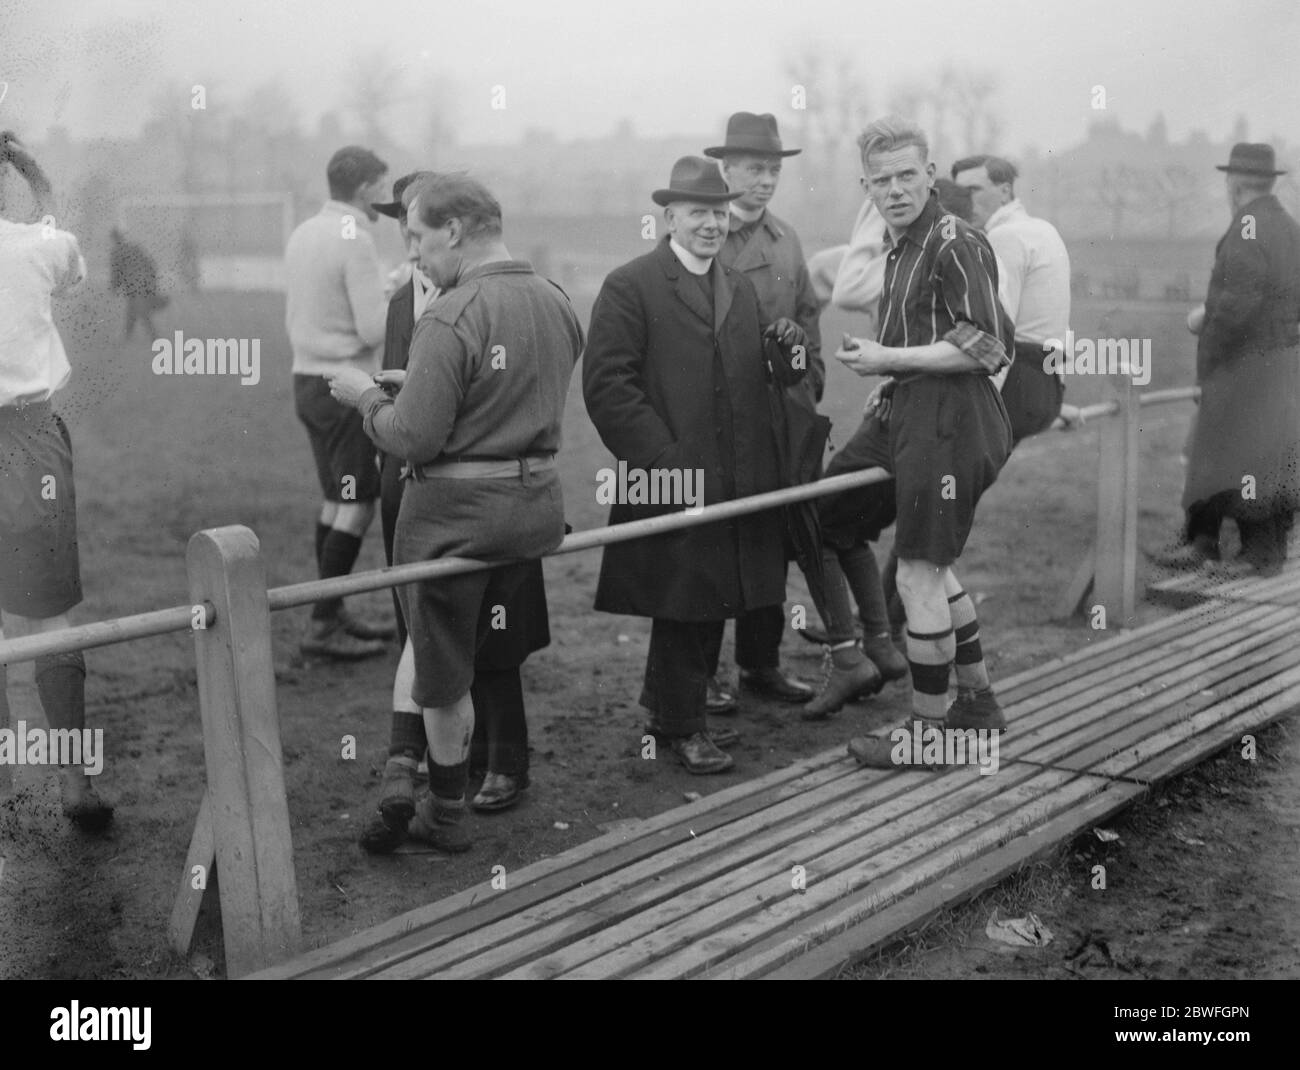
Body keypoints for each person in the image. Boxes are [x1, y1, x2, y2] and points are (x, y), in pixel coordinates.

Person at [328, 173, 583, 852]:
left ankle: (442, 816)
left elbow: (411, 440)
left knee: (441, 676)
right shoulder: (555, 300)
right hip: (533, 510)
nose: (412, 254)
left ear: (455, 231)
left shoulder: (448, 313)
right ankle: (429, 776)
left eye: (416, 236)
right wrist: (431, 385)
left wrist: (362, 397)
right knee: (481, 652)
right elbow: (515, 385)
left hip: (456, 519)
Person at [582, 157, 808, 775]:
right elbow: (608, 388)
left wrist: (784, 354)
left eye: (718, 212)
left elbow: (761, 376)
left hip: (732, 474)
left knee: (710, 594)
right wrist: (664, 460)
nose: (711, 224)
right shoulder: (632, 284)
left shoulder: (734, 285)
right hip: (669, 474)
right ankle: (681, 726)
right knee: (683, 596)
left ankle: (672, 710)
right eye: (698, 213)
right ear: (669, 217)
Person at [812, 118, 1013, 768]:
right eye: (881, 180)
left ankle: (930, 735)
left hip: (952, 422)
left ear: (931, 175)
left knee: (922, 571)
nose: (895, 190)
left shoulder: (960, 242)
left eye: (907, 175)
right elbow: (927, 341)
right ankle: (976, 700)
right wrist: (894, 376)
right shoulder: (895, 249)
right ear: (865, 187)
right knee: (835, 514)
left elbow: (988, 346)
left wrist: (891, 358)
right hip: (904, 410)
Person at [0, 131, 112, 831]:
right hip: (28, 439)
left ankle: (6, 788)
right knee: (50, 616)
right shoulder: (39, 245)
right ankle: (73, 787)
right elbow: (66, 251)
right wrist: (33, 174)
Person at [705, 111, 821, 709]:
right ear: (725, 170)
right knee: (711, 543)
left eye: (773, 170)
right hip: (718, 422)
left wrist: (808, 387)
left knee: (769, 540)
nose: (765, 180)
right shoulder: (702, 233)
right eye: (754, 168)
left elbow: (808, 318)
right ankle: (699, 673)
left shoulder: (788, 238)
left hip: (780, 418)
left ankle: (760, 664)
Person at [1152, 143, 1300, 576]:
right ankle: (1213, 542)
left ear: (1234, 186)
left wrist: (1209, 364)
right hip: (1282, 365)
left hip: (1244, 367)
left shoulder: (1249, 226)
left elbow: (1238, 302)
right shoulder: (1289, 226)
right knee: (1261, 454)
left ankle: (1234, 551)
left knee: (1233, 455)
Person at [284, 145, 395, 661]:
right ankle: (323, 624)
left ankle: (331, 610)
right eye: (381, 185)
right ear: (362, 188)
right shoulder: (357, 238)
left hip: (306, 381)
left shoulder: (306, 230)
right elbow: (372, 328)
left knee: (336, 499)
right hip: (344, 383)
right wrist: (401, 288)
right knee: (358, 504)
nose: (386, 196)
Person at [952, 154, 1071, 443]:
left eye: (974, 190)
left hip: (1014, 389)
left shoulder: (1005, 236)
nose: (965, 202)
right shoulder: (1043, 229)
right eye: (959, 193)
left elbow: (995, 336)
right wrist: (1055, 399)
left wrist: (981, 409)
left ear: (1005, 191)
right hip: (1047, 388)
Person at [109, 227, 166, 340]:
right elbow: (150, 264)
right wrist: (152, 282)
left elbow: (116, 272)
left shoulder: (116, 252)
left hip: (133, 285)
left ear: (113, 239)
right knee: (132, 310)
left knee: (140, 310)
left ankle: (153, 336)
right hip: (145, 283)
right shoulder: (135, 247)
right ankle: (128, 336)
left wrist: (114, 288)